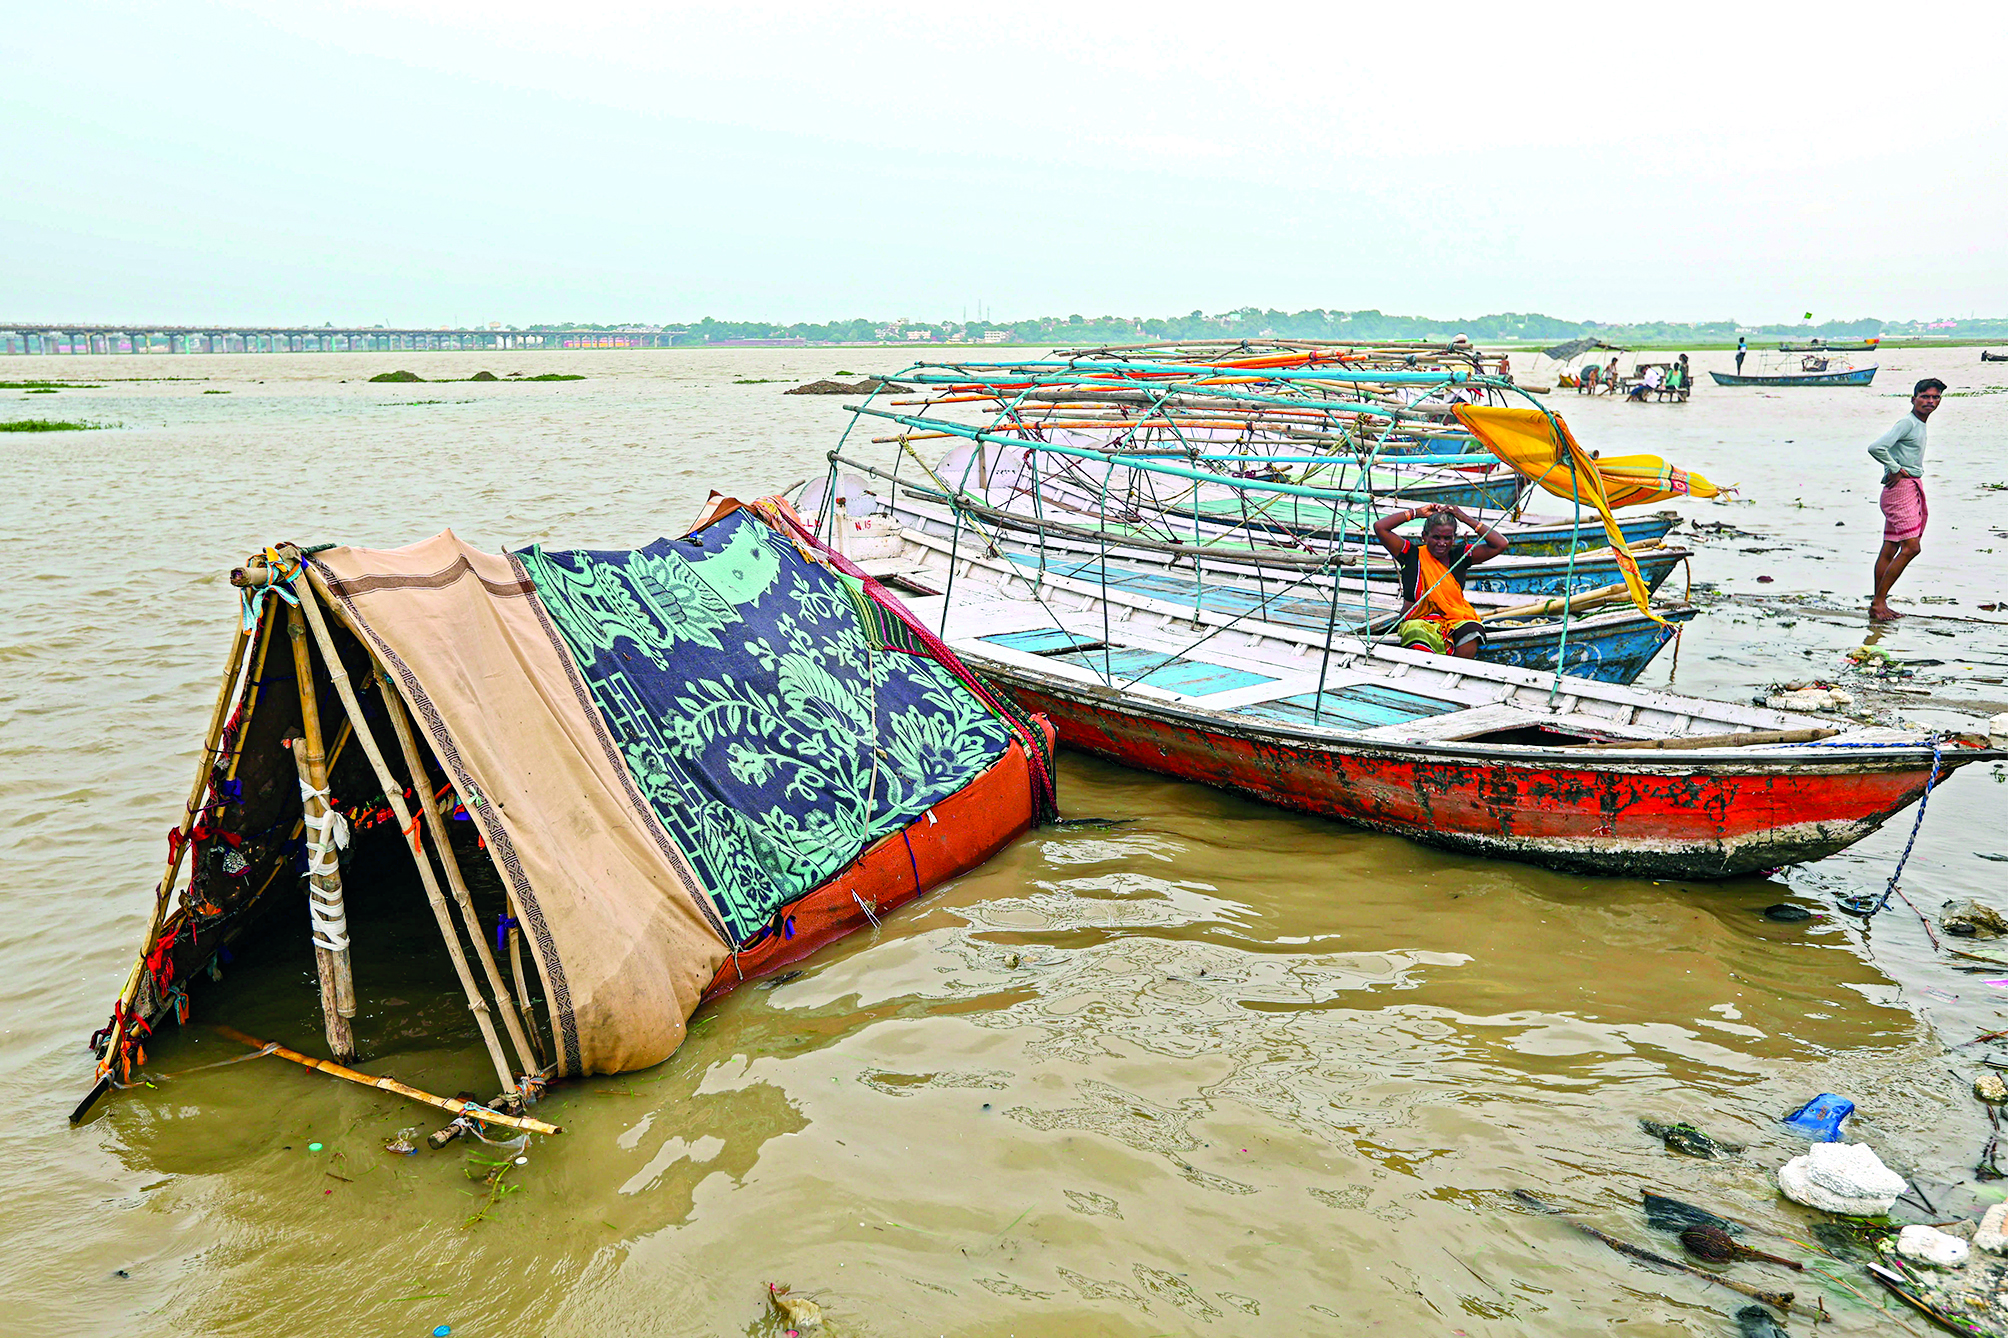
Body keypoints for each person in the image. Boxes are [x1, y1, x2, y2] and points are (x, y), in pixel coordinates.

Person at [1373, 503, 1509, 658]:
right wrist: (1416, 512)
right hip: (1418, 620)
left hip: (1455, 619)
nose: (1442, 543)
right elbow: (1380, 527)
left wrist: (1463, 517)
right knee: (1417, 633)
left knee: (1472, 630)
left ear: (1454, 539)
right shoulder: (1411, 555)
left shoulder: (1459, 557)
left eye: (1447, 538)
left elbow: (1500, 544)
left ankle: (1457, 672)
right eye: (1436, 537)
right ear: (1424, 537)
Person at [1867, 377, 1945, 621]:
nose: (1930, 401)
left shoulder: (1919, 424)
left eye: (1935, 397)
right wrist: (1894, 468)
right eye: (1925, 397)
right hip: (1900, 489)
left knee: (1891, 546)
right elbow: (1876, 447)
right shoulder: (1908, 423)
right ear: (1914, 399)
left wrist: (1897, 468)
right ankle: (1879, 603)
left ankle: (1879, 603)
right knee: (1911, 547)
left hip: (1907, 487)